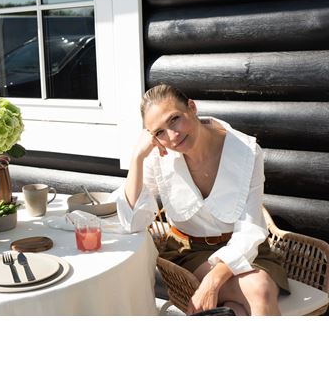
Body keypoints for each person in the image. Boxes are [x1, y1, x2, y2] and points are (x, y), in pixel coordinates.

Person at [116, 84, 290, 315]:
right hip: (189, 252)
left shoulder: (246, 151)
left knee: (238, 308)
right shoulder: (158, 157)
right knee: (260, 290)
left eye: (174, 119)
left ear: (192, 107)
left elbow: (250, 229)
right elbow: (132, 223)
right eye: (159, 132)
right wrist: (137, 157)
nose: (172, 136)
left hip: (247, 248)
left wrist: (212, 282)